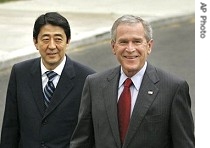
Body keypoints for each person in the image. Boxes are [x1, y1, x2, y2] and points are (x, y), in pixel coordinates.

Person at [70, 15, 195, 148]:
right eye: (123, 42)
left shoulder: (173, 89)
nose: (130, 49)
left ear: (149, 46)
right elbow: (82, 141)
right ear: (113, 47)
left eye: (137, 41)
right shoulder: (94, 84)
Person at [0, 12, 95, 148]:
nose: (51, 46)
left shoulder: (87, 78)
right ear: (35, 42)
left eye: (58, 39)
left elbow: (90, 134)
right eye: (45, 39)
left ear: (67, 41)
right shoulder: (19, 72)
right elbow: (10, 126)